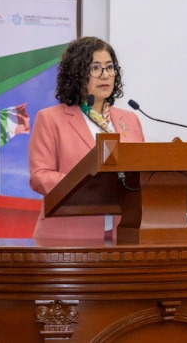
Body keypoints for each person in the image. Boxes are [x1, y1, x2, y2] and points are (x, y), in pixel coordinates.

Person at [27, 36, 145, 239]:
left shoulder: (129, 120)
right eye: (95, 68)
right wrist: (88, 187)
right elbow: (40, 175)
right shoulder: (50, 119)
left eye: (110, 67)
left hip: (125, 232)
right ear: (77, 74)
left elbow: (142, 173)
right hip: (69, 233)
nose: (105, 75)